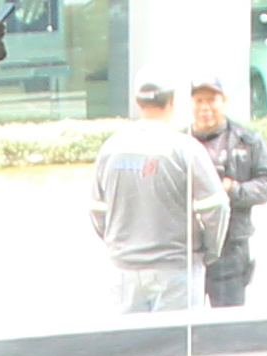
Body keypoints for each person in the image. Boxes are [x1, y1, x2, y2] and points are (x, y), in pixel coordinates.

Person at [92, 80, 228, 315]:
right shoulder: (186, 148)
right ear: (171, 102)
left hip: (125, 271)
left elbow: (97, 209)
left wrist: (121, 245)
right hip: (176, 270)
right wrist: (209, 251)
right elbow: (217, 207)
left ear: (137, 102)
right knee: (175, 338)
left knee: (129, 337)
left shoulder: (110, 148)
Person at [187, 80, 267, 311]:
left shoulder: (247, 140)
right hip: (187, 247)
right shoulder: (179, 143)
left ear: (224, 101)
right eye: (199, 101)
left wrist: (233, 189)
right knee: (184, 324)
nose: (205, 107)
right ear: (191, 104)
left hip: (231, 247)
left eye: (211, 100)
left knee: (228, 322)